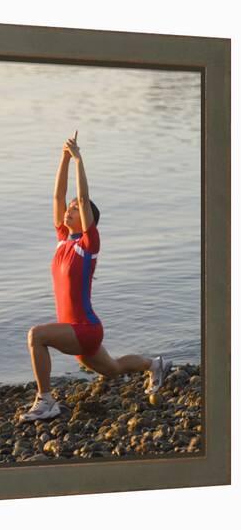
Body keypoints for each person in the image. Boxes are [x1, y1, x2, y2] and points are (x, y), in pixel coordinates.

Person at [19, 131, 172, 422]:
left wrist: (79, 160)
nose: (70, 209)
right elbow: (57, 195)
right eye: (71, 207)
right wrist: (63, 158)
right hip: (78, 330)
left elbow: (85, 196)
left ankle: (46, 401)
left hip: (84, 329)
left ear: (87, 217)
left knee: (36, 336)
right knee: (113, 368)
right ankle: (155, 364)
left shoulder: (88, 246)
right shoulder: (63, 239)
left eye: (76, 209)